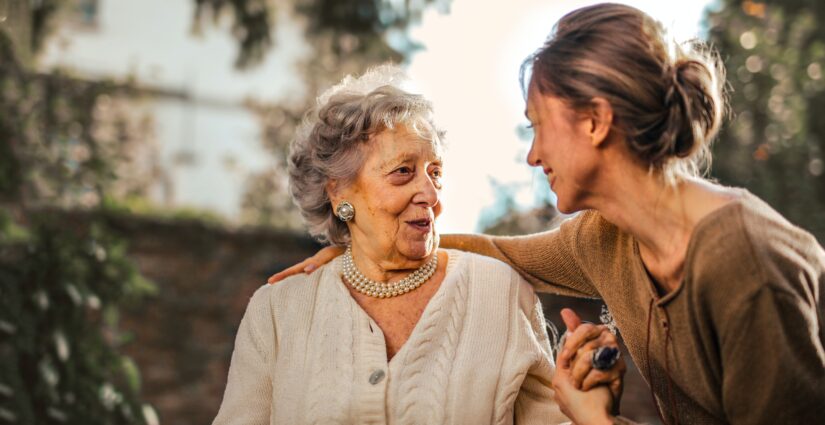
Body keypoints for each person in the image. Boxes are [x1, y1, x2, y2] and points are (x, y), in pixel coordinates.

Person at [268, 4, 825, 424]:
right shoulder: (606, 238)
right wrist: (359, 243)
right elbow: (495, 251)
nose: (532, 154)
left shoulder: (744, 265)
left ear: (595, 121)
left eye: (537, 124)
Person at [214, 65, 626, 424]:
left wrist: (591, 411)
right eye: (403, 172)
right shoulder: (278, 311)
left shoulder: (499, 292)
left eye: (435, 172)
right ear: (339, 193)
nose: (429, 193)